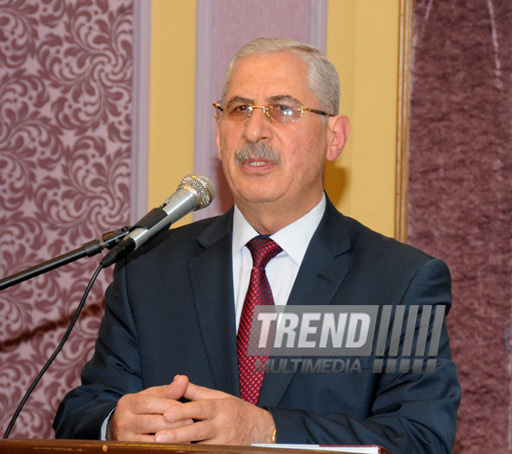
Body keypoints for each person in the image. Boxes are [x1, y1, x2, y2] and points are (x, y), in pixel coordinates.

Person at [53, 37, 461, 453]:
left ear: (334, 137)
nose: (253, 130)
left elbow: (420, 438)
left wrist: (267, 431)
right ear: (218, 131)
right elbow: (82, 413)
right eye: (239, 109)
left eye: (283, 109)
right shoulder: (150, 269)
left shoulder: (402, 282)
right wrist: (115, 425)